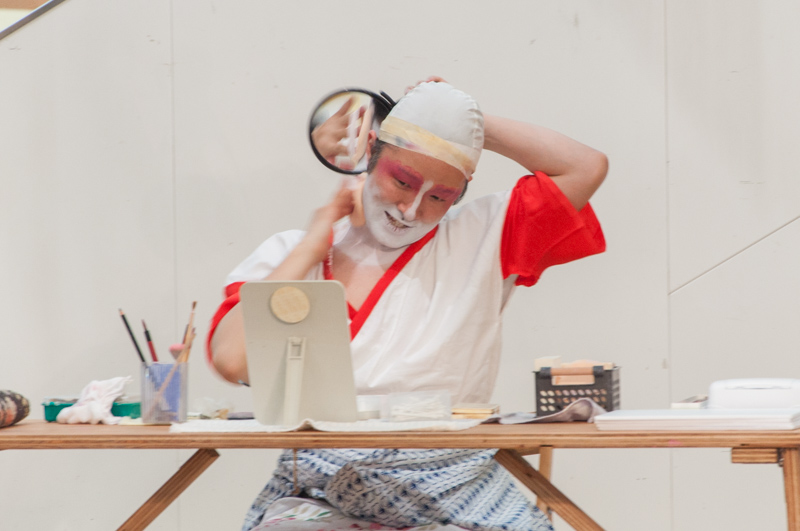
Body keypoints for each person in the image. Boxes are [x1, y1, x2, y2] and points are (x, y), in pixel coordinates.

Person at [206, 78, 607, 531]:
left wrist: (468, 122)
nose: (411, 209)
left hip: (453, 481)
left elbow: (585, 167)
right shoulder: (290, 254)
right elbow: (231, 359)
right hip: (320, 487)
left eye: (439, 197)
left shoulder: (487, 236)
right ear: (370, 151)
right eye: (402, 181)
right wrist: (310, 247)